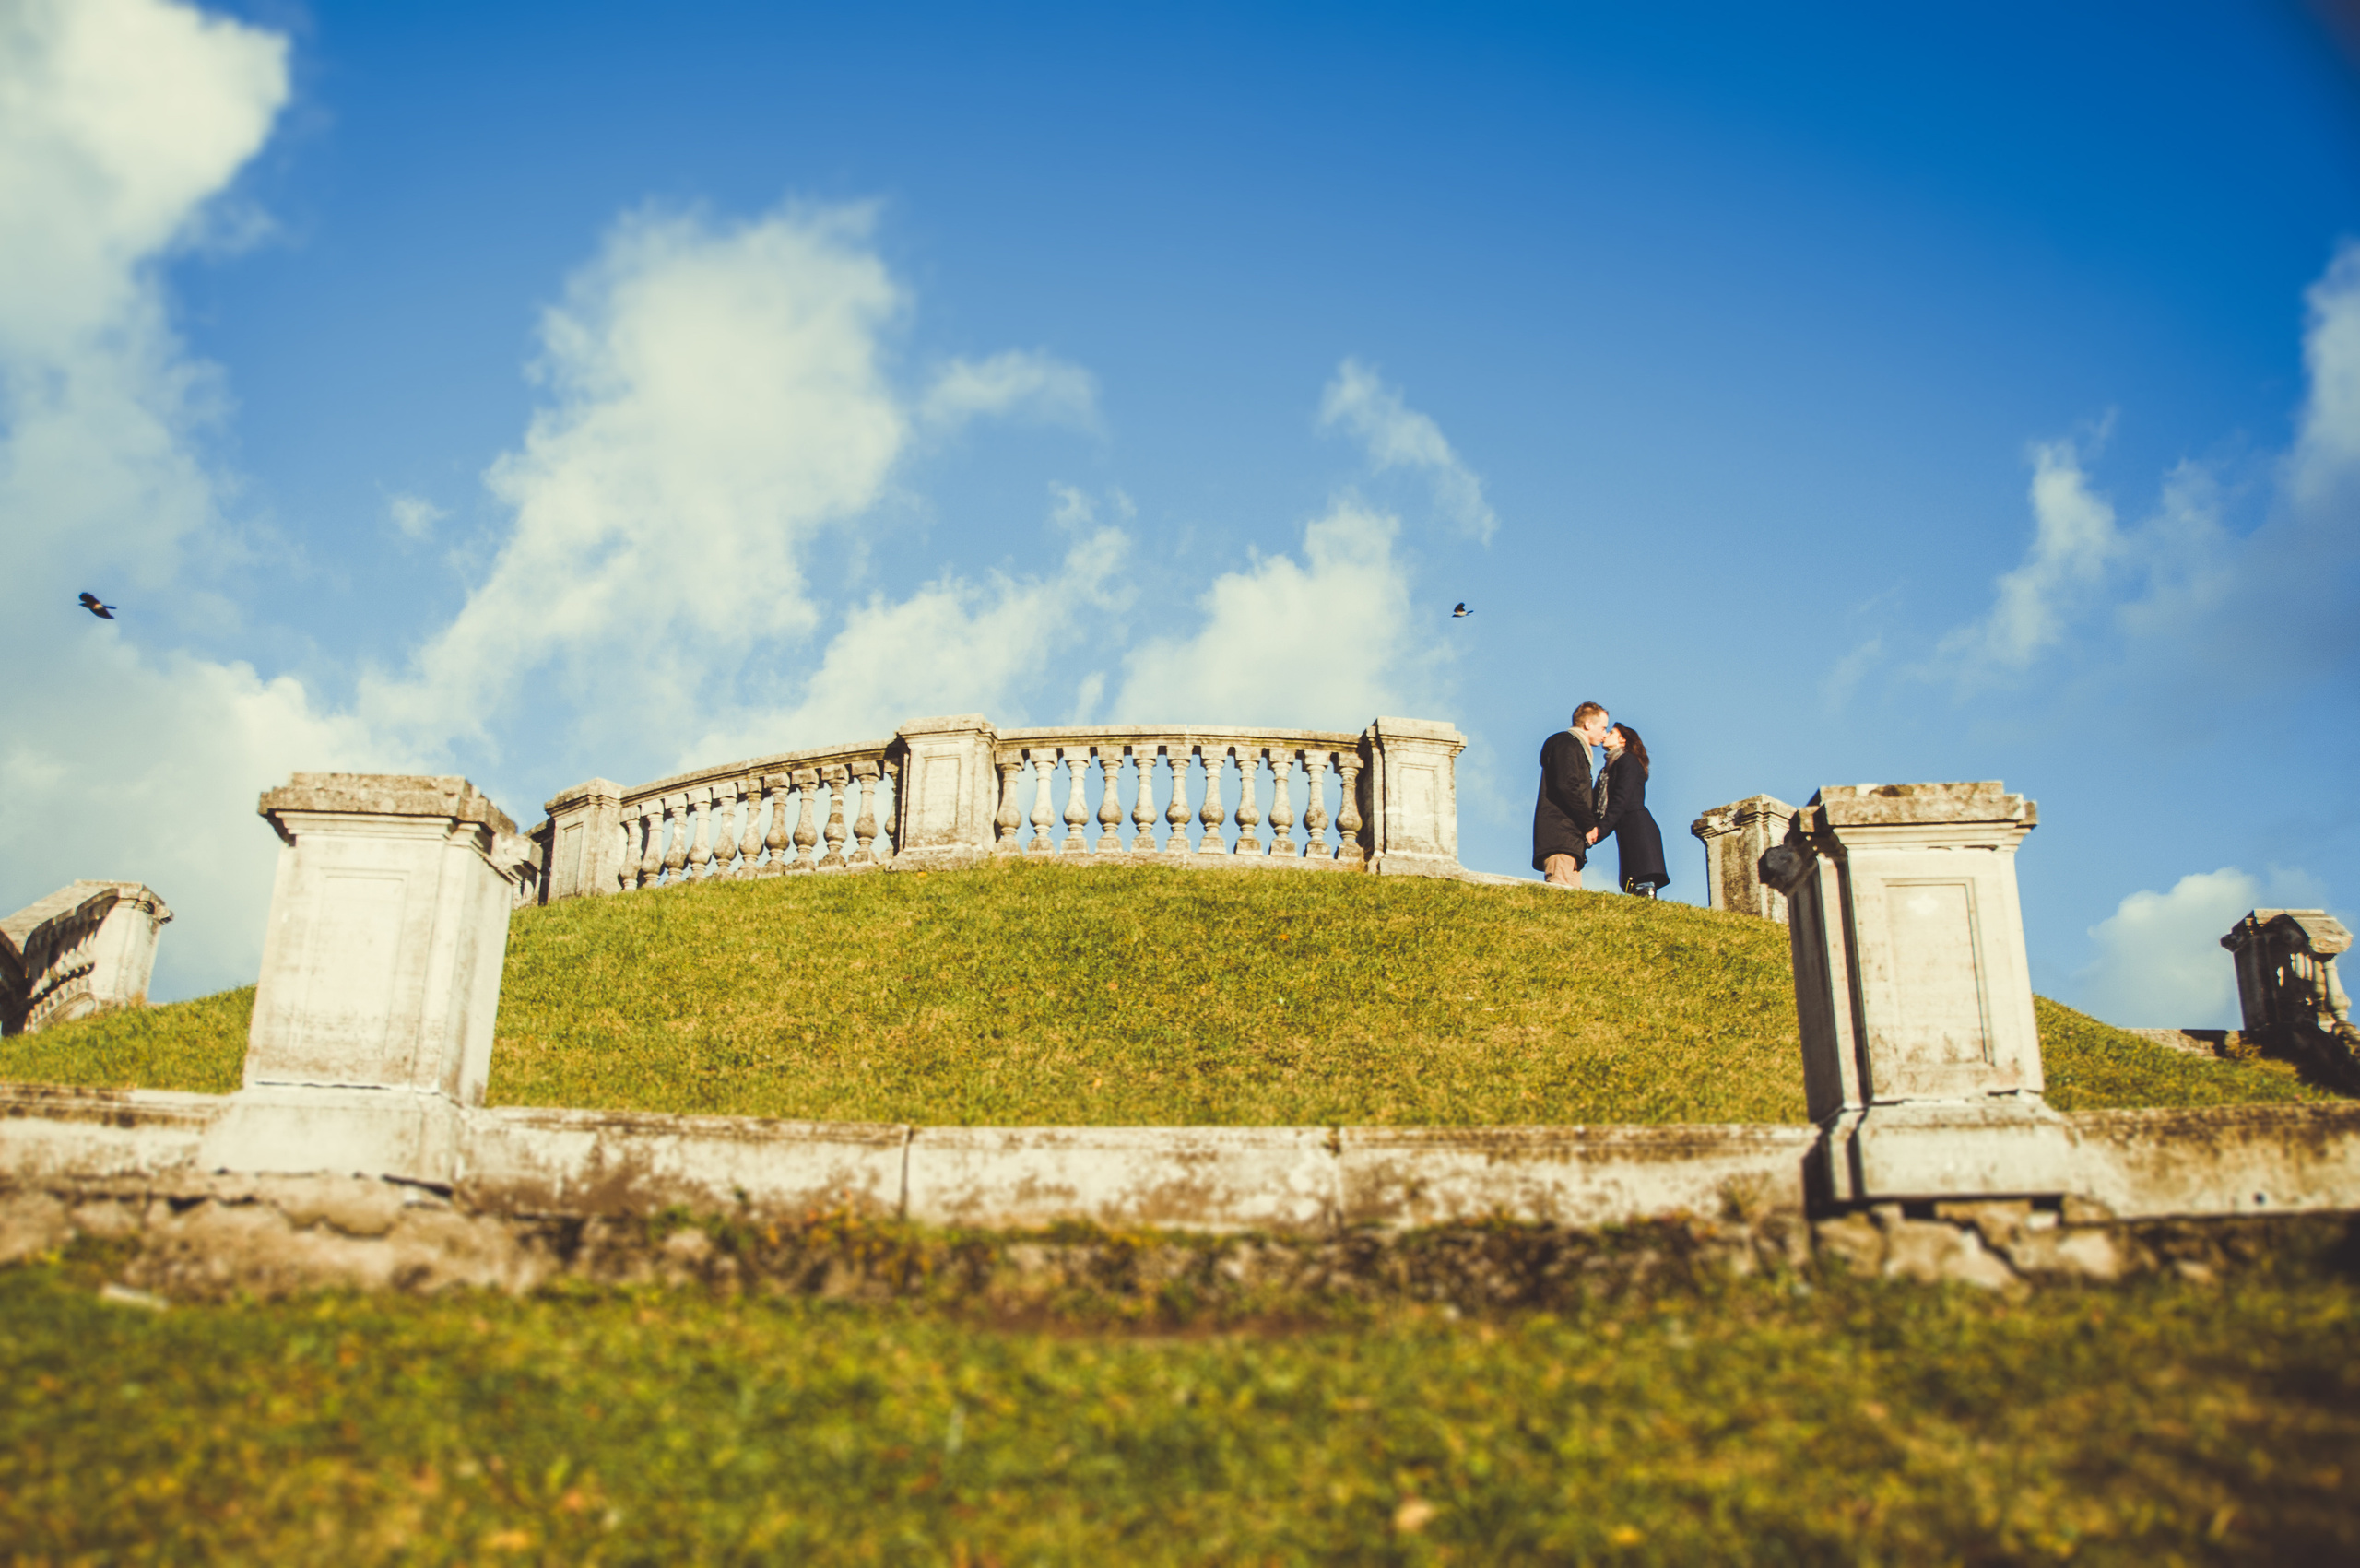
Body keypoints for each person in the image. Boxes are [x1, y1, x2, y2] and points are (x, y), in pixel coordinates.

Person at [1532, 702, 1611, 887]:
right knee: (1559, 893)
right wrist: (1589, 824)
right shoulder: (1566, 743)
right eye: (1603, 727)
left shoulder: (1576, 748)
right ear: (1588, 724)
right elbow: (1566, 785)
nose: (1605, 734)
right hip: (1561, 836)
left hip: (1571, 841)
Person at [1595, 721, 1670, 897]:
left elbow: (1621, 799)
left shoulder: (1627, 760)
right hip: (1626, 828)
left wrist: (1600, 830)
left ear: (1623, 740)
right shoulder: (1608, 769)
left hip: (1637, 828)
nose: (1606, 735)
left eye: (1612, 732)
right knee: (1636, 888)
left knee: (1644, 885)